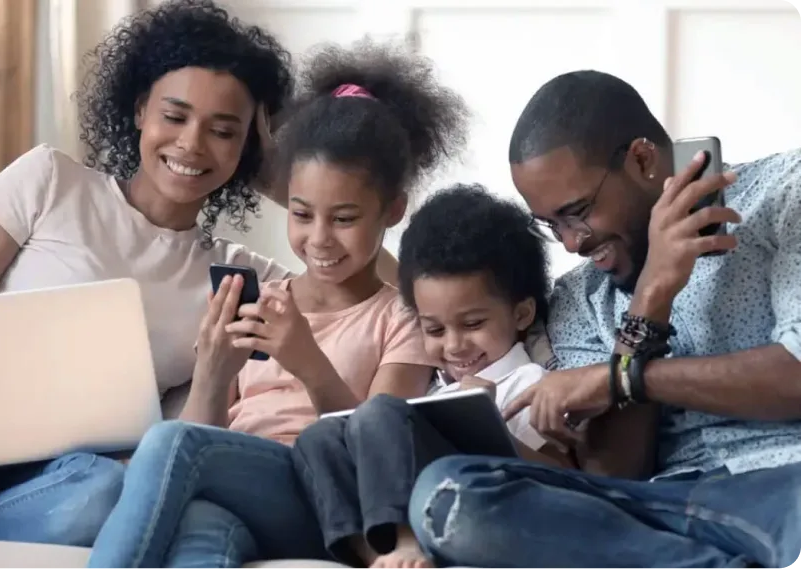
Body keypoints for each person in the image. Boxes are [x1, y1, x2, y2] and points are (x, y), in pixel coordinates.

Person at [85, 38, 469, 569]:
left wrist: (307, 361)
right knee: (202, 533)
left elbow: (378, 450)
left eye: (344, 218)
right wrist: (214, 376)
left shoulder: (403, 317)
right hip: (242, 489)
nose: (320, 239)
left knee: (172, 443)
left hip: (324, 502)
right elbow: (208, 428)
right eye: (302, 213)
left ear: (393, 210)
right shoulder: (262, 299)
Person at [0, 0, 300, 546]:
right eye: (174, 117)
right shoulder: (48, 182)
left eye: (224, 131)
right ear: (138, 112)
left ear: (248, 144)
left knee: (103, 487)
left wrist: (283, 181)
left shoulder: (238, 275)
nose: (191, 144)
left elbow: (381, 293)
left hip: (69, 487)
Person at [409, 70, 801, 569]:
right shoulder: (579, 295)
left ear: (641, 160)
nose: (572, 243)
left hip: (784, 479)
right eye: (552, 226)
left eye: (578, 212)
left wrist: (623, 377)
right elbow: (615, 474)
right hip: (651, 509)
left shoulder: (787, 197)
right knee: (446, 497)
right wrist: (649, 299)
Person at [290, 183, 576, 569]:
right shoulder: (431, 385)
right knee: (318, 437)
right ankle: (376, 555)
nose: (455, 346)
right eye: (435, 330)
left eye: (472, 324)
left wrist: (492, 429)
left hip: (489, 500)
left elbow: (566, 479)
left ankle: (405, 540)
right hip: (434, 488)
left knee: (379, 412)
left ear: (521, 314)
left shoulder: (532, 383)